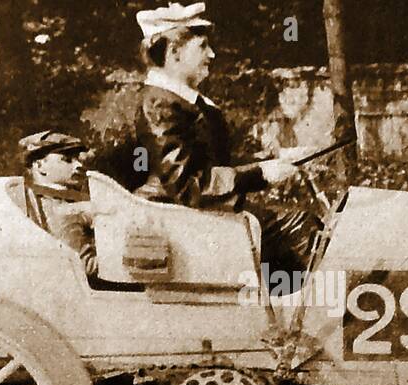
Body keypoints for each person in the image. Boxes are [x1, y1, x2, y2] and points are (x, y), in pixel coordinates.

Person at [132, 2, 322, 287]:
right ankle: (322, 316)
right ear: (174, 52)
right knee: (300, 226)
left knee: (300, 223)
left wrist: (274, 158)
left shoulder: (180, 100)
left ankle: (295, 311)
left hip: (194, 213)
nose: (212, 54)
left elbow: (212, 160)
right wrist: (261, 173)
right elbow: (187, 185)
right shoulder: (159, 103)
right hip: (178, 218)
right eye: (203, 46)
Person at [5, 130, 100, 279]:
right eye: (67, 159)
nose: (79, 165)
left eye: (78, 159)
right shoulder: (57, 207)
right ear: (40, 165)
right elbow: (83, 265)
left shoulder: (66, 200)